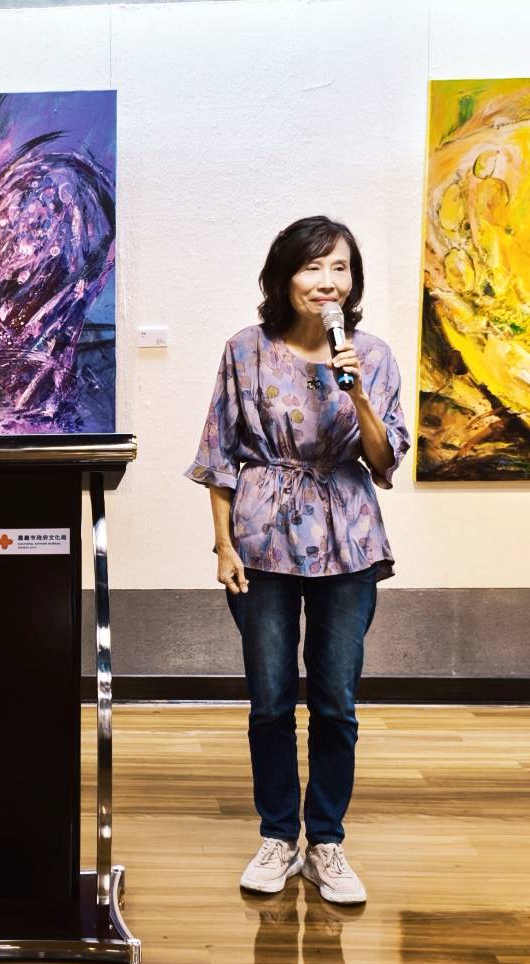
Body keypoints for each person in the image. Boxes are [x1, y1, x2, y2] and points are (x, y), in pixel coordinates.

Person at [186, 215, 409, 905]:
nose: (327, 281)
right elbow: (219, 455)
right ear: (284, 277)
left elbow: (384, 462)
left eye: (340, 267)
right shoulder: (245, 350)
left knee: (336, 701)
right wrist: (223, 544)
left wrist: (357, 393)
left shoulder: (372, 355)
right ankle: (279, 837)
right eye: (313, 267)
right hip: (262, 539)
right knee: (271, 700)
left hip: (349, 541)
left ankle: (327, 843)